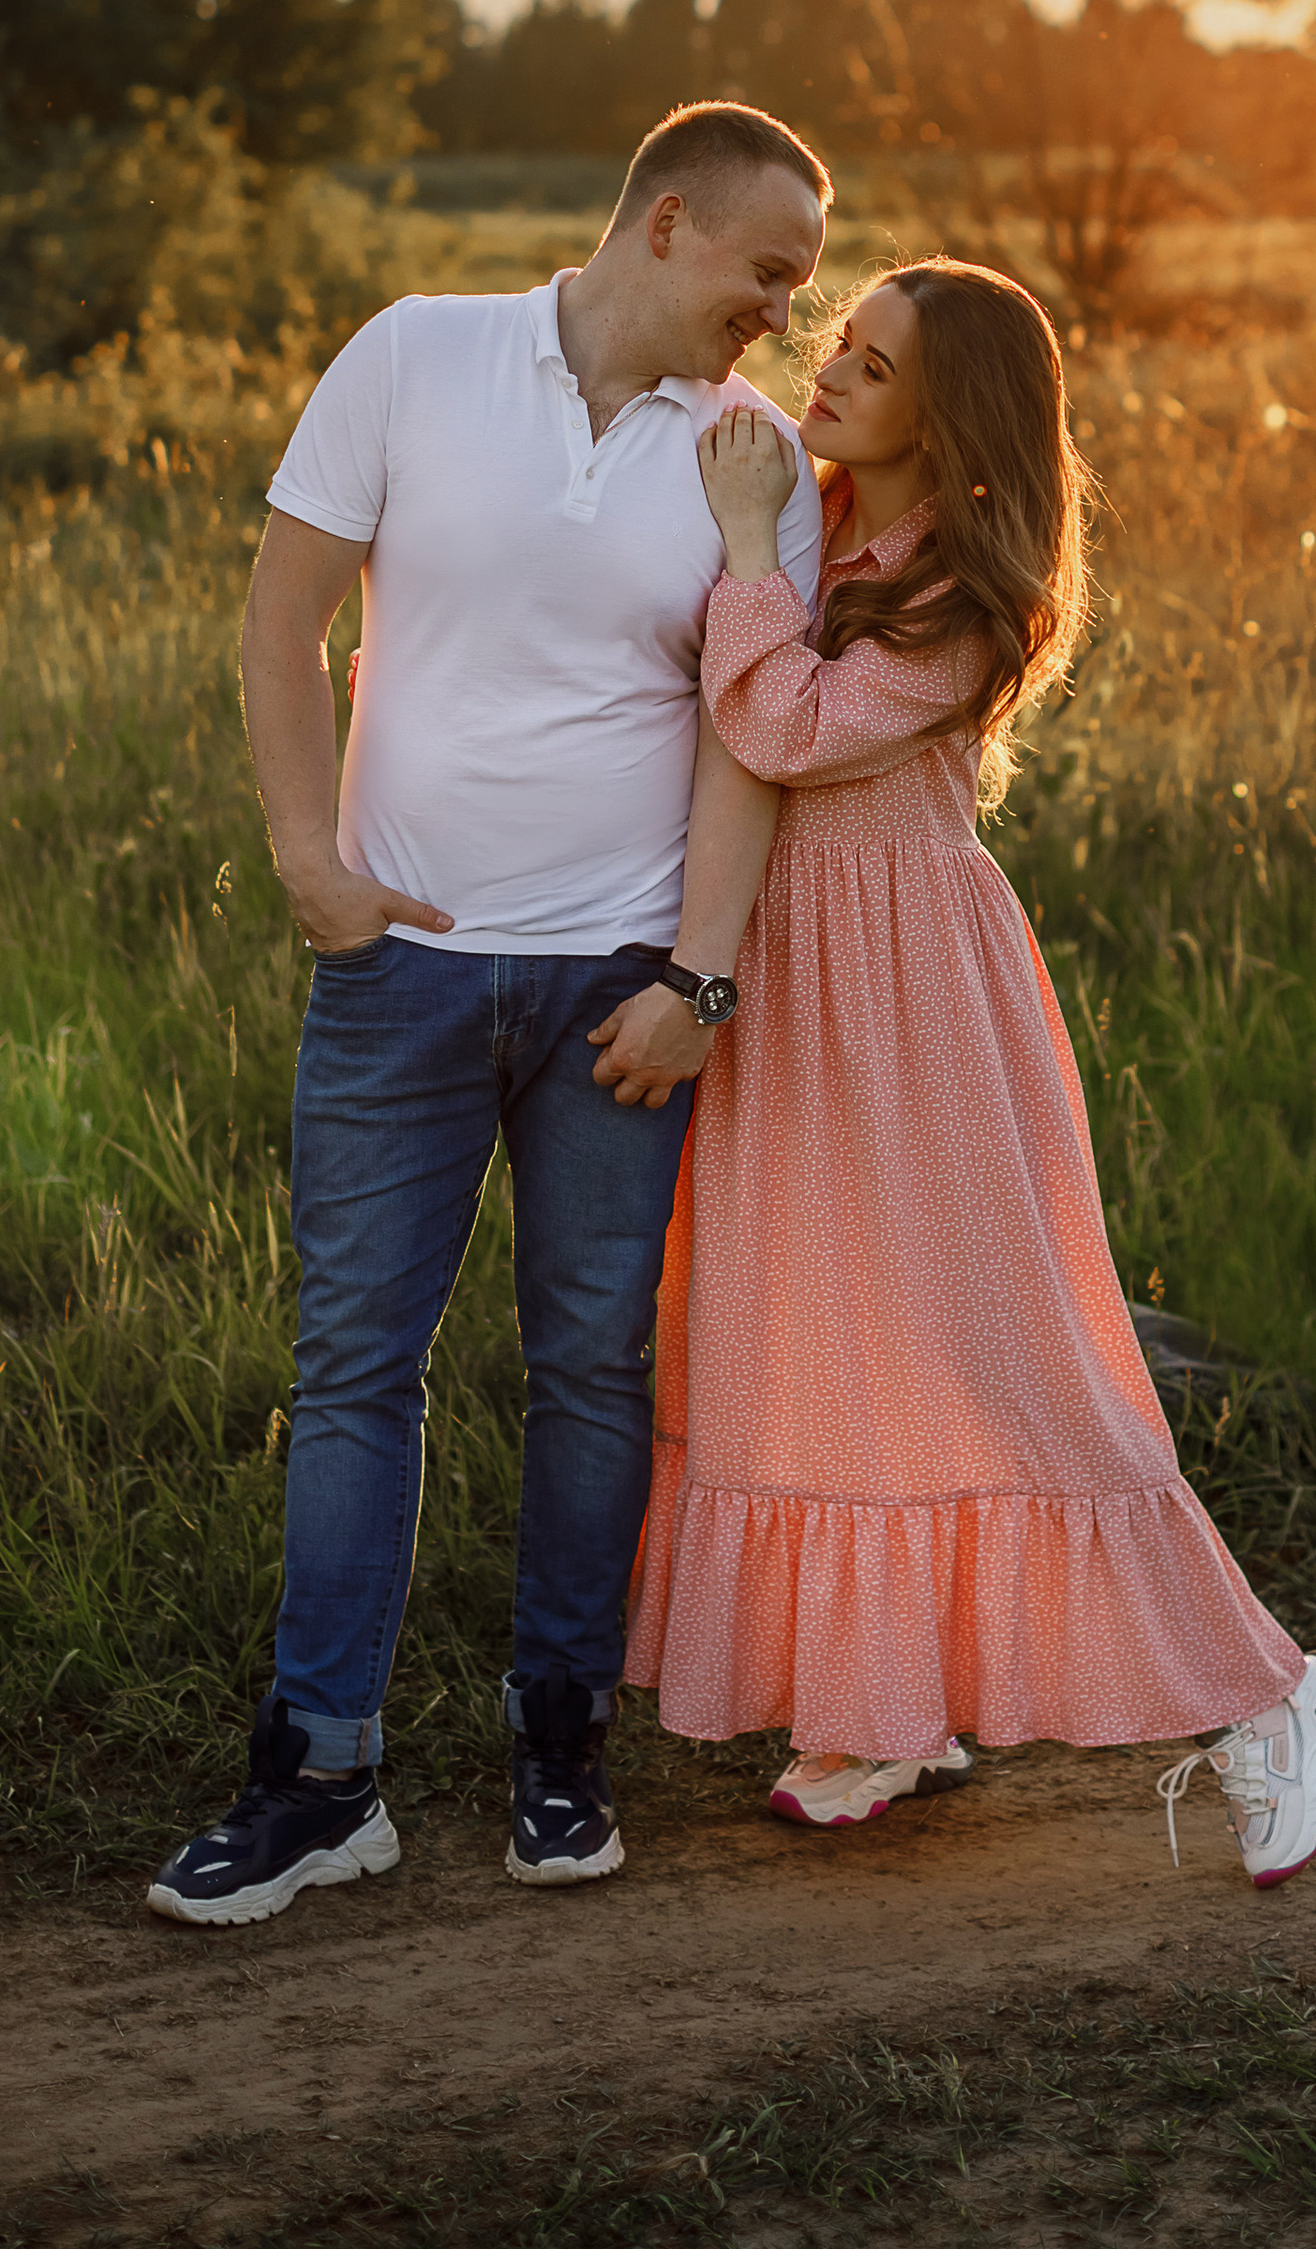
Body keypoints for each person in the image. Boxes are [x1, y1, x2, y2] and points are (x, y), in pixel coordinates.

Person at [148, 103, 829, 1927]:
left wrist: (700, 979)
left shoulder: (756, 462)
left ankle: (559, 1746)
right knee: (355, 1365)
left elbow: (746, 734)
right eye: (772, 273)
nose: (787, 313)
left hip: (622, 982)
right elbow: (285, 617)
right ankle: (320, 1774)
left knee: (594, 1368)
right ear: (668, 224)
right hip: (403, 974)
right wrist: (311, 856)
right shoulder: (411, 355)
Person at [623, 260, 1316, 1887]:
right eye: (840, 344)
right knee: (818, 1331)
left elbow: (790, 732)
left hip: (912, 998)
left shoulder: (966, 592)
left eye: (873, 368)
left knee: (995, 1349)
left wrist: (744, 551)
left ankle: (1266, 1691)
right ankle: (887, 1707)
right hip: (790, 979)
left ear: (949, 426)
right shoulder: (811, 522)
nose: (830, 374)